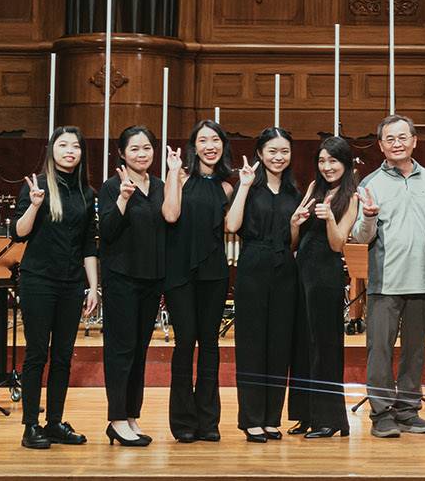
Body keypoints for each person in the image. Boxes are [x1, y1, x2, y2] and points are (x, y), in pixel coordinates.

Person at [350, 115, 425, 437]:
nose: (397, 143)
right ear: (381, 145)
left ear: (415, 140)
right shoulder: (369, 184)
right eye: (390, 139)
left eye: (403, 137)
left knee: (415, 351)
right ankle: (381, 414)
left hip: (424, 278)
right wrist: (371, 218)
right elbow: (361, 237)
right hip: (385, 282)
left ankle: (407, 410)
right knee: (380, 350)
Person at [13, 126, 100, 449]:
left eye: (75, 146)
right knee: (37, 354)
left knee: (63, 357)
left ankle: (53, 423)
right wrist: (34, 205)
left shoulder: (85, 192)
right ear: (51, 150)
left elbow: (89, 244)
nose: (69, 151)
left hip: (71, 282)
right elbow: (19, 233)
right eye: (63, 145)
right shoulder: (38, 186)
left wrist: (93, 287)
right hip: (38, 280)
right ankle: (30, 426)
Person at [226, 127, 304, 443]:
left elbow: (293, 242)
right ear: (260, 153)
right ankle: (251, 419)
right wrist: (244, 185)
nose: (278, 157)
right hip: (253, 266)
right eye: (272, 150)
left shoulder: (294, 194)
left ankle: (272, 418)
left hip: (285, 268)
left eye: (284, 151)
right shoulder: (248, 188)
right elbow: (231, 225)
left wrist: (296, 226)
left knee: (279, 345)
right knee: (252, 345)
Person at [161, 120, 235, 443]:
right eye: (203, 140)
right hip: (179, 272)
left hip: (214, 273)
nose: (210, 146)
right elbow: (171, 215)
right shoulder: (178, 176)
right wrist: (173, 171)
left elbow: (232, 227)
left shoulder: (228, 187)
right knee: (184, 342)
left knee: (210, 344)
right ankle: (182, 421)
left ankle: (208, 421)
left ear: (222, 146)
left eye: (215, 140)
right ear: (194, 146)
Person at [291, 136, 362, 439]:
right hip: (302, 272)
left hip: (325, 276)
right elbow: (294, 238)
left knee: (325, 347)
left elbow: (337, 243)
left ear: (345, 163)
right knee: (303, 345)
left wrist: (330, 217)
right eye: (322, 161)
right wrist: (294, 222)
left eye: (333, 161)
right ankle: (306, 415)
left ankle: (330, 420)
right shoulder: (313, 188)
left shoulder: (352, 196)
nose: (327, 166)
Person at [98, 126, 166, 447]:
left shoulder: (161, 187)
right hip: (121, 279)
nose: (142, 154)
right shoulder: (112, 187)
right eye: (135, 149)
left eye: (147, 148)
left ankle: (131, 415)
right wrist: (123, 199)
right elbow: (107, 233)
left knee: (139, 351)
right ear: (122, 154)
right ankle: (116, 418)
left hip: (151, 280)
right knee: (120, 351)